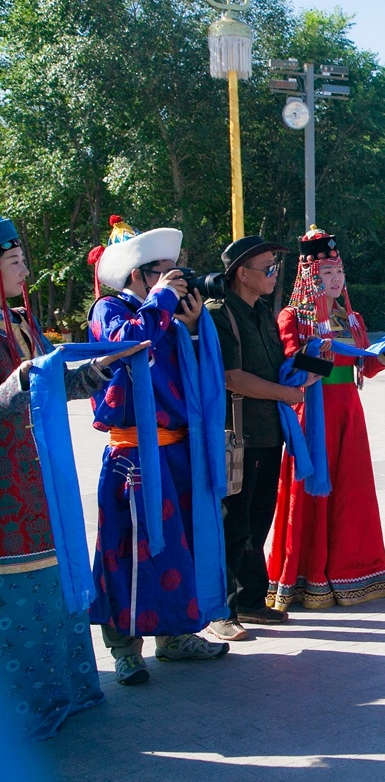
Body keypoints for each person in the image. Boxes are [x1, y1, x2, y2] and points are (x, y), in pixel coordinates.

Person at [86, 216, 230, 686]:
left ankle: (175, 635)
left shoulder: (163, 312)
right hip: (132, 455)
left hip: (177, 449)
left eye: (176, 272)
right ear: (137, 275)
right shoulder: (110, 309)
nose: (174, 280)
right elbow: (126, 343)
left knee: (182, 543)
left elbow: (190, 368)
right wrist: (163, 300)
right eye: (163, 272)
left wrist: (191, 326)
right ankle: (125, 648)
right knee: (127, 549)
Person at [0, 218, 127, 738]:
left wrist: (100, 368)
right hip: (9, 483)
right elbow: (19, 388)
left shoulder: (21, 322)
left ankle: (64, 688)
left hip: (41, 474)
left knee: (56, 568)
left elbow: (52, 385)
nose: (26, 269)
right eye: (15, 262)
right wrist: (21, 379)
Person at [266, 226, 385, 610]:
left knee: (352, 490)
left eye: (339, 272)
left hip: (349, 412)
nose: (336, 279)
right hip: (314, 412)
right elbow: (287, 366)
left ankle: (353, 574)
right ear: (309, 276)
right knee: (311, 496)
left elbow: (367, 367)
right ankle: (308, 580)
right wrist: (317, 355)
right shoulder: (292, 318)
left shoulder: (351, 319)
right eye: (327, 273)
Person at [204, 235, 305, 641]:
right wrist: (286, 393)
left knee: (258, 516)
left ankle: (249, 600)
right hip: (235, 434)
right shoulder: (219, 314)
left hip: (266, 432)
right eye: (267, 268)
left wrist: (309, 364)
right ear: (241, 274)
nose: (273, 274)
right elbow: (233, 378)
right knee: (233, 521)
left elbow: (276, 365)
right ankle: (220, 609)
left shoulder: (262, 310)